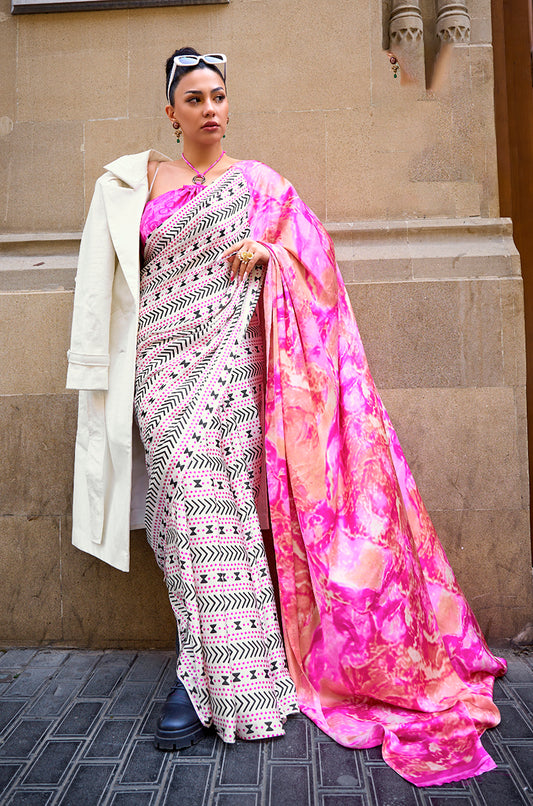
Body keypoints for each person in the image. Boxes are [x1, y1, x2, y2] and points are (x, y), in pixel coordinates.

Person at [67, 47, 506, 787]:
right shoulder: (130, 183)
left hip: (231, 371)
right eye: (194, 98)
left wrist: (270, 252)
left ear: (228, 106)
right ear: (169, 112)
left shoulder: (260, 185)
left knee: (219, 510)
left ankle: (211, 684)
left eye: (219, 95)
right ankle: (207, 672)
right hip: (159, 366)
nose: (209, 107)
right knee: (178, 514)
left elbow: (317, 264)